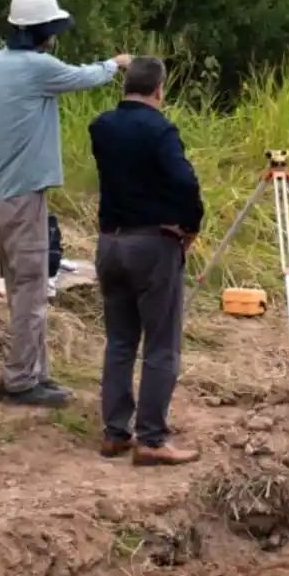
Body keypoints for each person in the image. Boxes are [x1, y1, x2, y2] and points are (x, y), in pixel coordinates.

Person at [0, 0, 129, 407]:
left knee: (19, 285)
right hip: (23, 195)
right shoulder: (37, 68)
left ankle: (35, 372)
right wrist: (115, 64)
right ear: (40, 30)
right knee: (32, 289)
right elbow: (84, 77)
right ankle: (22, 380)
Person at [88, 56, 204, 467]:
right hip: (153, 244)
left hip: (110, 242)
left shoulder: (101, 126)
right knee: (160, 344)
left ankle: (115, 432)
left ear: (126, 87)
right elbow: (185, 181)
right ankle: (152, 437)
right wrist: (190, 225)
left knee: (120, 341)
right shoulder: (161, 130)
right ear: (159, 90)